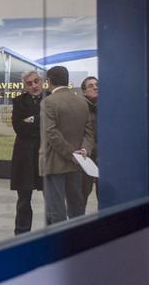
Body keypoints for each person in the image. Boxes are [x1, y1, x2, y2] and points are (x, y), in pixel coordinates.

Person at [39, 66, 95, 226]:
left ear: (49, 81)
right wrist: (83, 151)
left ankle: (61, 245)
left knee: (56, 211)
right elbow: (89, 132)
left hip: (54, 162)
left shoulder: (48, 102)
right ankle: (76, 240)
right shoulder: (81, 101)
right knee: (76, 207)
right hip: (78, 163)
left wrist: (71, 153)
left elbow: (51, 133)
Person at [9, 70, 47, 235]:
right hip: (24, 156)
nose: (34, 86)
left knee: (51, 198)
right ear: (25, 86)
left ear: (42, 81)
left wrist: (33, 120)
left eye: (36, 81)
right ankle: (22, 234)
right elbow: (19, 128)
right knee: (24, 198)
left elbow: (50, 127)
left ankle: (54, 232)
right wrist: (38, 125)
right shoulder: (18, 101)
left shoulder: (51, 98)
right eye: (29, 83)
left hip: (45, 154)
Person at [80, 76, 99, 205]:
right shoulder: (80, 108)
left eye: (97, 85)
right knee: (82, 193)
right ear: (84, 91)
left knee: (103, 193)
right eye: (90, 86)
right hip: (86, 156)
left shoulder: (108, 108)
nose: (95, 87)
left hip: (104, 157)